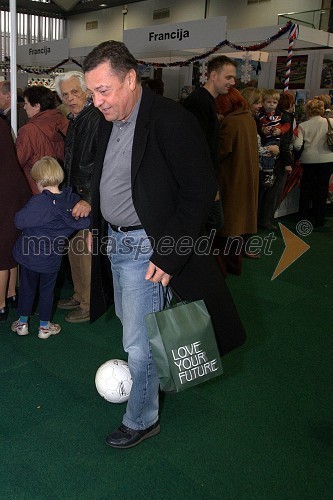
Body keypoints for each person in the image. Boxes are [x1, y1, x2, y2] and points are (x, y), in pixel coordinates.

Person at [83, 40, 246, 449]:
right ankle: (150, 386)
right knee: (132, 327)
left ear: (131, 79)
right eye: (92, 92)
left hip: (149, 245)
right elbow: (115, 177)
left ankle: (141, 418)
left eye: (104, 90)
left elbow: (200, 189)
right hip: (118, 242)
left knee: (138, 342)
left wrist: (169, 252)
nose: (96, 101)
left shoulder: (171, 120)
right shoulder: (109, 119)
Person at [11, 157, 90, 339]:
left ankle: (22, 324)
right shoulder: (71, 201)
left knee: (27, 288)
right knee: (47, 292)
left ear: (39, 182)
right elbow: (84, 221)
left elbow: (19, 221)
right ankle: (44, 328)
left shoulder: (38, 203)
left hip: (29, 257)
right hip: (51, 259)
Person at [54, 71, 103, 323]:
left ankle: (88, 304)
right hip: (74, 196)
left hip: (86, 199)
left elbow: (101, 164)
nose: (70, 98)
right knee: (75, 250)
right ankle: (78, 294)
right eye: (65, 94)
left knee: (85, 254)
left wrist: (90, 199)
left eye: (75, 92)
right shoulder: (76, 119)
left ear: (87, 91)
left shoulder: (94, 118)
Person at [183, 56, 237, 231]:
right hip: (200, 181)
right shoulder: (199, 101)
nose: (233, 82)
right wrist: (209, 185)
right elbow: (195, 148)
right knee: (212, 222)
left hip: (204, 179)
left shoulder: (206, 101)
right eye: (228, 77)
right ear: (214, 75)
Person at [215, 88, 259, 275]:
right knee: (237, 230)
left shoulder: (231, 122)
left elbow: (221, 152)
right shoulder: (247, 119)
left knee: (227, 229)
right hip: (244, 180)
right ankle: (234, 266)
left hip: (231, 181)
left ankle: (223, 269)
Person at [0, 120, 31, 321]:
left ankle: (0, 304)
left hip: (4, 192)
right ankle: (11, 294)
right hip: (14, 189)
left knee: (2, 252)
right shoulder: (2, 124)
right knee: (9, 245)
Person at [16, 85, 69, 194]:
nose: (24, 107)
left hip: (36, 189)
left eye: (26, 103)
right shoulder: (65, 122)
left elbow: (17, 163)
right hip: (61, 187)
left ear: (37, 106)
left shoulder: (28, 131)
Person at [240, 87, 280, 215]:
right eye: (257, 102)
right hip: (247, 168)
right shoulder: (247, 120)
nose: (260, 105)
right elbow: (252, 147)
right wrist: (270, 149)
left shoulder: (251, 118)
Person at [294, 98, 333, 227]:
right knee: (322, 188)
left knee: (306, 188)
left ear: (308, 110)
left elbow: (297, 145)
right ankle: (319, 218)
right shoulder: (330, 122)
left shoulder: (303, 126)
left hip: (308, 160)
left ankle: (303, 216)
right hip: (327, 159)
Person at [258, 89, 291, 188]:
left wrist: (280, 131)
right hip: (264, 138)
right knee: (264, 152)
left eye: (274, 102)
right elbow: (259, 126)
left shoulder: (280, 115)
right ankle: (264, 169)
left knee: (269, 152)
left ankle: (269, 172)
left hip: (275, 138)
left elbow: (287, 125)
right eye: (268, 102)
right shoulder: (260, 115)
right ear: (263, 103)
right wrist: (264, 129)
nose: (271, 105)